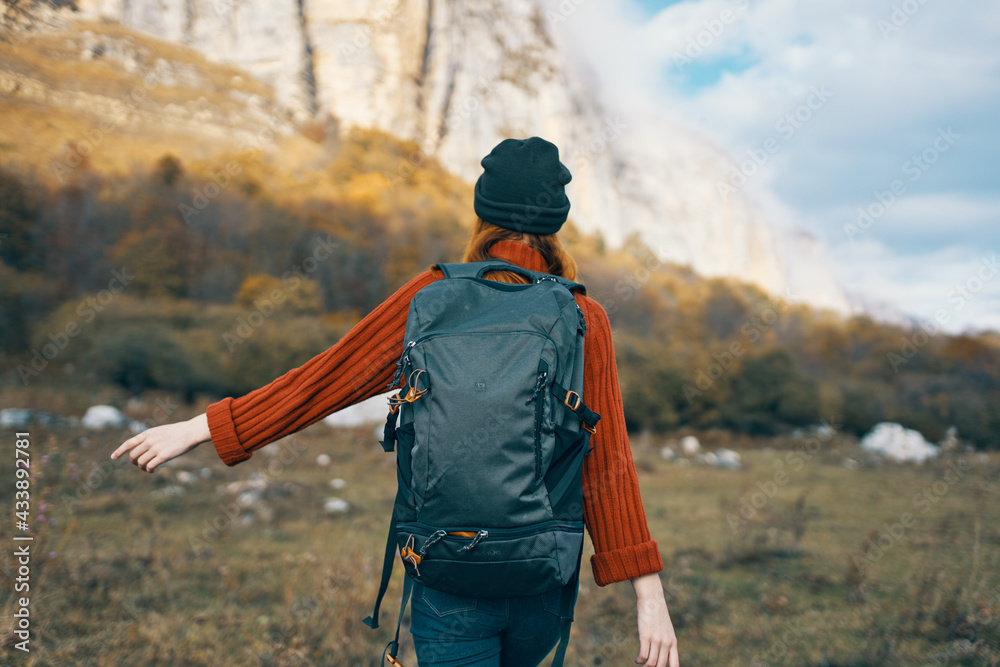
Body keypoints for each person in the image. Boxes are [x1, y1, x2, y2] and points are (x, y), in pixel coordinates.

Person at [112, 137, 680, 667]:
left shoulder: (430, 296)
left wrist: (205, 426)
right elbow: (606, 460)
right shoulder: (583, 316)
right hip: (540, 574)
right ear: (558, 221)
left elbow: (326, 379)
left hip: (445, 568)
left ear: (482, 214)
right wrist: (647, 592)